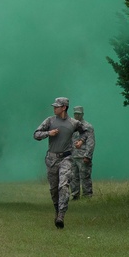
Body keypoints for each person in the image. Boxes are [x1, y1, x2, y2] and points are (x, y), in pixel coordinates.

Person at [33, 97, 91, 228]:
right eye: (54, 106)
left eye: (57, 106)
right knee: (54, 189)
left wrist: (81, 141)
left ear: (64, 107)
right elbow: (36, 134)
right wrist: (48, 133)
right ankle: (57, 210)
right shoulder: (50, 121)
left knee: (63, 185)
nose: (54, 108)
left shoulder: (74, 123)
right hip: (52, 159)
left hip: (66, 158)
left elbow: (86, 132)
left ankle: (61, 216)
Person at [70, 105, 95, 200]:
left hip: (82, 156)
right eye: (75, 113)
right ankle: (75, 195)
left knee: (85, 176)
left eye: (79, 114)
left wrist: (87, 156)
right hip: (73, 155)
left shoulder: (88, 126)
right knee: (73, 177)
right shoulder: (72, 126)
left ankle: (87, 195)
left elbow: (91, 142)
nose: (77, 115)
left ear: (82, 114)